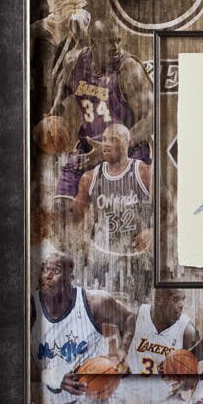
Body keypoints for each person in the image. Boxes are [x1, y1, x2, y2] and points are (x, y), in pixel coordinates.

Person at [47, 18, 153, 207]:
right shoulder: (75, 61)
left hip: (127, 152)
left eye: (118, 41)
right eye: (109, 42)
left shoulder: (129, 69)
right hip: (88, 148)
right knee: (61, 207)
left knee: (120, 215)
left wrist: (112, 149)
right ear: (93, 43)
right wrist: (55, 109)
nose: (116, 47)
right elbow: (65, 83)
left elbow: (151, 118)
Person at [30, 250, 134, 404]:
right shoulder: (30, 308)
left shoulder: (95, 303)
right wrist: (54, 377)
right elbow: (19, 364)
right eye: (44, 269)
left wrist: (123, 350)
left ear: (70, 279)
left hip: (94, 402)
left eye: (55, 270)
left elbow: (129, 318)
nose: (47, 276)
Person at [72, 123, 152, 298]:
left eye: (113, 139)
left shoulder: (143, 173)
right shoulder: (89, 178)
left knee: (137, 309)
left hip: (137, 259)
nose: (106, 144)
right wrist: (82, 240)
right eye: (104, 140)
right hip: (103, 259)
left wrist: (152, 232)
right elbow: (75, 220)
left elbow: (170, 211)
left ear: (127, 142)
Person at [105, 288, 200, 404]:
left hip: (165, 400)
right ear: (159, 300)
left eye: (183, 300)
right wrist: (119, 357)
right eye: (176, 299)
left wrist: (183, 384)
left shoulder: (188, 331)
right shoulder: (137, 316)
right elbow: (119, 350)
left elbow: (193, 379)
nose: (181, 305)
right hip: (131, 394)